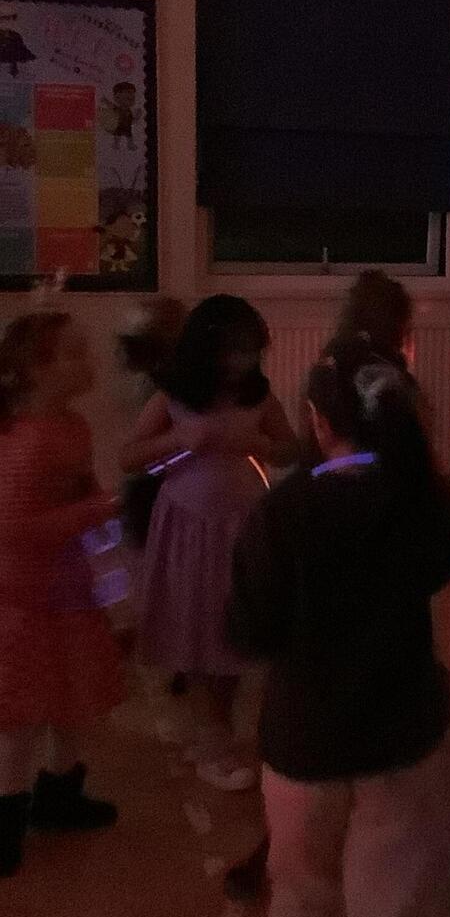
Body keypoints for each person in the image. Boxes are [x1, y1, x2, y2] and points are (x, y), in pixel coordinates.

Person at [226, 339, 450, 917]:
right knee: (387, 912)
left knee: (300, 902)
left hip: (306, 740)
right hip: (400, 734)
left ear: (318, 421)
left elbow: (250, 630)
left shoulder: (286, 512)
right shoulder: (426, 506)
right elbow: (435, 568)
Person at [124, 296, 298, 791]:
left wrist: (258, 444)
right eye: (235, 351)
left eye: (251, 352)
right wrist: (178, 441)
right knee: (197, 623)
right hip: (189, 525)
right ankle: (211, 734)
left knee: (231, 627)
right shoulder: (171, 396)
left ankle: (217, 731)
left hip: (242, 525)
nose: (244, 362)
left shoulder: (258, 398)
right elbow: (129, 457)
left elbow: (290, 449)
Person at [0, 312, 124, 878]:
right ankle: (6, 816)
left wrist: (102, 516)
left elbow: (82, 493)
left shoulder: (73, 426)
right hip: (25, 596)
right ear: (36, 369)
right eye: (74, 352)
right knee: (21, 715)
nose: (88, 361)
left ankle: (59, 794)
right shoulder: (24, 442)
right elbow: (16, 529)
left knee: (70, 693)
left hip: (68, 589)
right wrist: (97, 510)